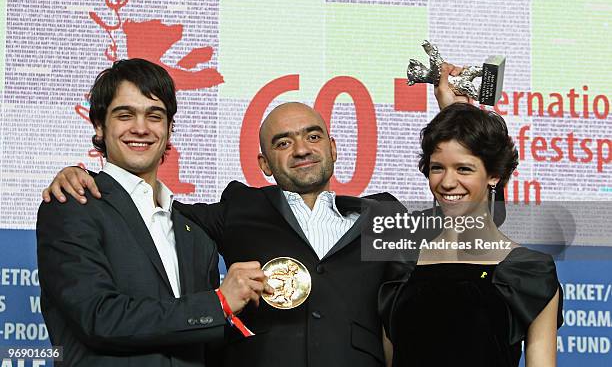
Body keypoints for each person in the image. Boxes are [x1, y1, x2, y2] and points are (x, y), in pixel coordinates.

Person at [41, 63, 466, 367]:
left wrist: (457, 117)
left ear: (333, 147)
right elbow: (141, 209)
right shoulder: (237, 210)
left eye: (313, 136)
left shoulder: (381, 217)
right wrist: (80, 174)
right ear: (263, 164)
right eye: (282, 142)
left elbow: (466, 215)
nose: (301, 149)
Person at [36, 59, 270, 367]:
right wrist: (218, 302)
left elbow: (202, 343)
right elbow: (99, 318)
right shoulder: (73, 204)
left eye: (154, 116)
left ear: (169, 130)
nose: (141, 128)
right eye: (125, 114)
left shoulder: (194, 232)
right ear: (99, 126)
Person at [379, 103, 563, 367]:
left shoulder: (529, 272)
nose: (447, 182)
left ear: (494, 175)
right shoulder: (402, 265)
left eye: (463, 169)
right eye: (437, 168)